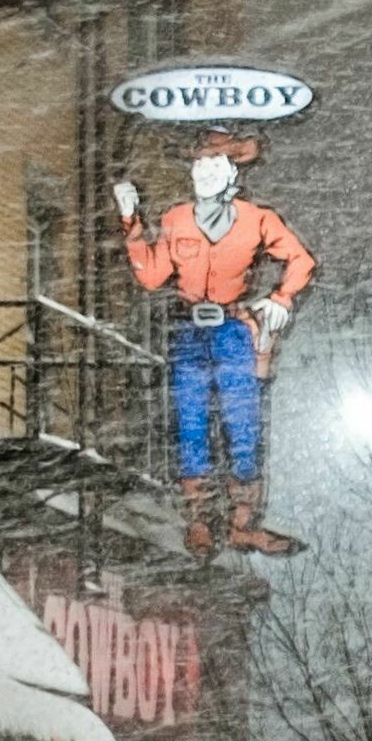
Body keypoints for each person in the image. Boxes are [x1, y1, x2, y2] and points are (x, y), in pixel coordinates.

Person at [113, 127, 316, 556]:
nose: (205, 171)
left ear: (232, 174)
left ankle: (243, 522)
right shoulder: (175, 220)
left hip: (232, 331)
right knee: (191, 423)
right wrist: (131, 223)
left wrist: (281, 297)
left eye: (215, 164)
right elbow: (151, 276)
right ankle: (199, 521)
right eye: (199, 163)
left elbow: (301, 259)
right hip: (188, 331)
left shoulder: (258, 219)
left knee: (242, 423)